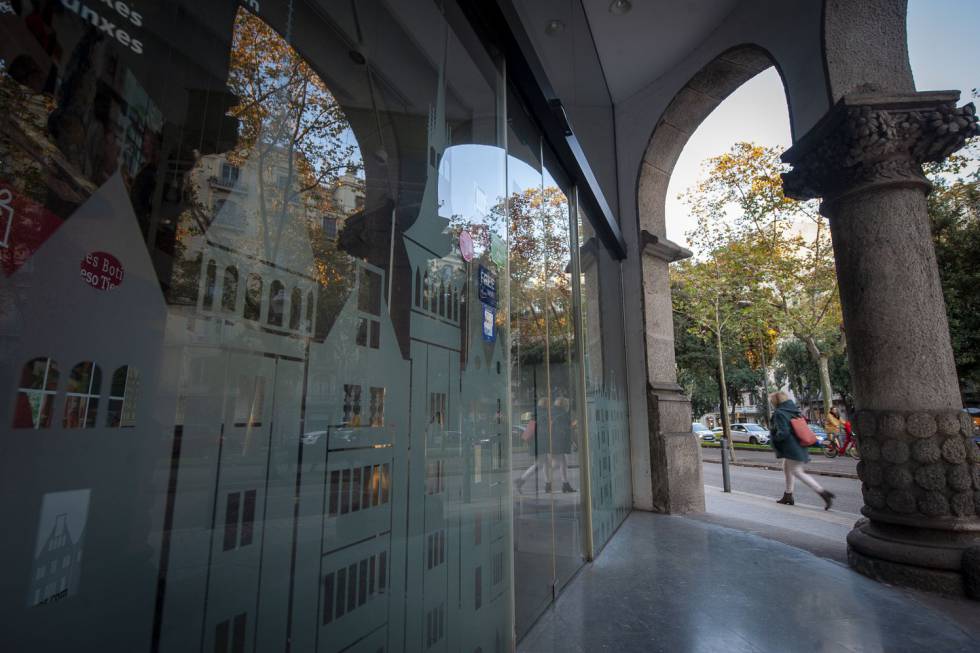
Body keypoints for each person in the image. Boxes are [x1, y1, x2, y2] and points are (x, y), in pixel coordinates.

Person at [769, 391, 835, 510]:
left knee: (797, 471)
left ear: (776, 402)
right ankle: (788, 495)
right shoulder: (794, 411)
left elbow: (783, 433)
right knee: (786, 467)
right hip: (799, 444)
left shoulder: (780, 413)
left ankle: (823, 493)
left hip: (791, 448)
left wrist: (773, 437)